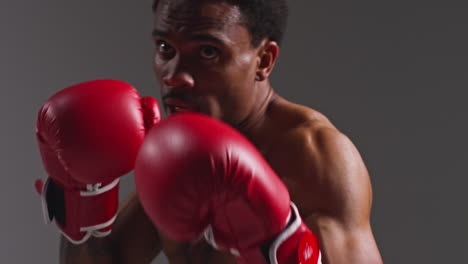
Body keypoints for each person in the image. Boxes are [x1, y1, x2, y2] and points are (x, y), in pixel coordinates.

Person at [38, 0, 383, 263]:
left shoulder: (317, 155)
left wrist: (285, 243)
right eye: (165, 49)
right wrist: (81, 195)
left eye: (207, 52)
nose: (174, 74)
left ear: (264, 59)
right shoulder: (178, 149)